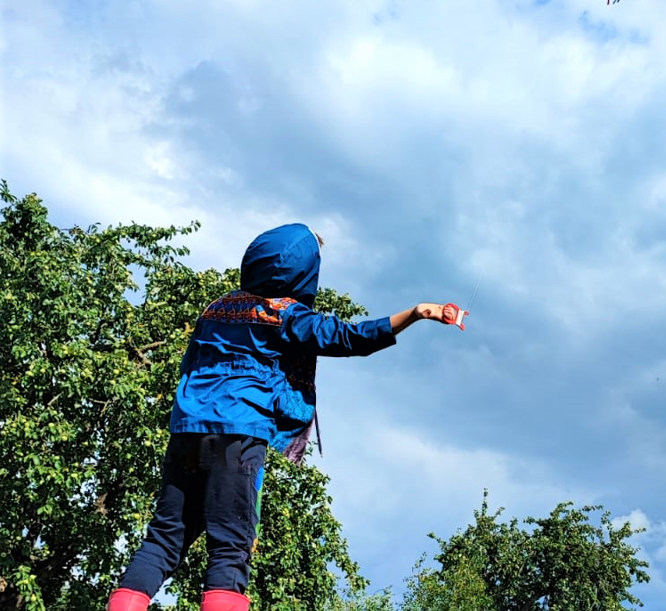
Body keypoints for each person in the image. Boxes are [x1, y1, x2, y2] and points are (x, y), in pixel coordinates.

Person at [106, 223, 455, 611]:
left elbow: (192, 366)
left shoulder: (217, 308)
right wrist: (417, 313)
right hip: (237, 438)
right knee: (232, 544)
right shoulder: (285, 316)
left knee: (165, 536)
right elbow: (351, 338)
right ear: (304, 274)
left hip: (187, 432)